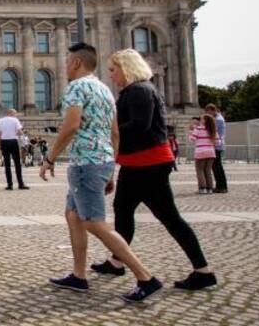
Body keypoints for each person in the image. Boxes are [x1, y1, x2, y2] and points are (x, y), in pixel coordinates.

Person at [42, 42, 162, 303]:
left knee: (94, 222)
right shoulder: (105, 90)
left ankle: (145, 277)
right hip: (102, 160)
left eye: (67, 61)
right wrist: (111, 169)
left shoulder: (76, 87)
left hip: (85, 162)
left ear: (76, 63)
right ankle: (78, 275)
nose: (64, 65)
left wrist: (49, 157)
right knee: (73, 215)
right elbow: (115, 132)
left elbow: (71, 125)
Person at [90, 49, 216, 291]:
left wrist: (108, 129)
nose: (112, 76)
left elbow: (140, 125)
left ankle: (203, 270)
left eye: (114, 70)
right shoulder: (137, 90)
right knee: (123, 210)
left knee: (168, 217)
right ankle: (117, 260)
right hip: (138, 162)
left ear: (127, 69)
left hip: (148, 164)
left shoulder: (140, 90)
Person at [0, 109, 27, 190]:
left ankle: (9, 185)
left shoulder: (0, 120)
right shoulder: (15, 120)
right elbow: (20, 132)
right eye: (15, 113)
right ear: (10, 113)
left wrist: (0, 143)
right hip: (13, 141)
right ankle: (20, 184)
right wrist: (18, 133)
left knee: (7, 165)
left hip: (4, 142)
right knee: (17, 163)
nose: (15, 115)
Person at [190, 114, 220, 194]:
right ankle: (210, 188)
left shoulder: (198, 129)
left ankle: (202, 188)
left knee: (200, 170)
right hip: (211, 152)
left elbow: (192, 139)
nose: (200, 120)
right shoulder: (213, 130)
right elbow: (218, 142)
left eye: (201, 119)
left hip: (200, 152)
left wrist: (192, 131)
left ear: (205, 121)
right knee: (208, 171)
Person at [205, 104, 228, 193]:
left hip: (217, 145)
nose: (208, 114)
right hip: (217, 145)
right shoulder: (218, 118)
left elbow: (213, 131)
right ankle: (220, 186)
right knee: (216, 167)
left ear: (212, 110)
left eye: (208, 112)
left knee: (217, 167)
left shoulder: (217, 119)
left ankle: (222, 187)